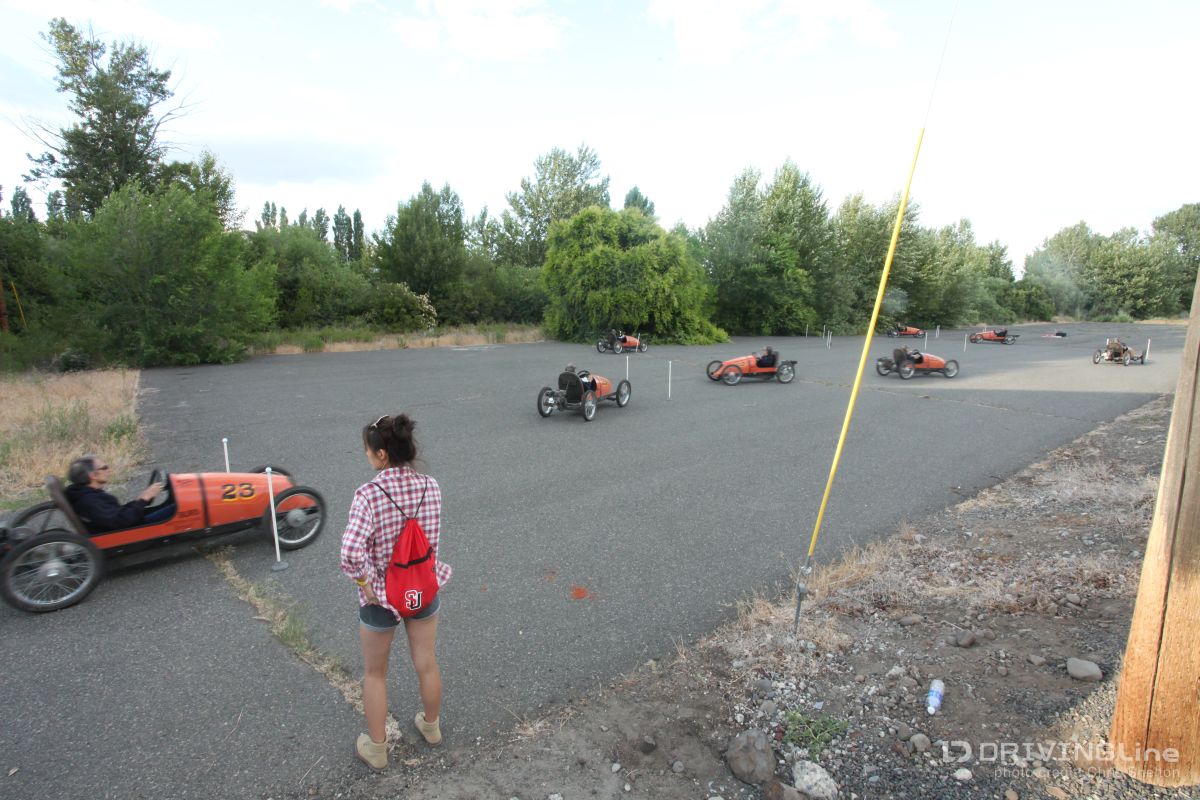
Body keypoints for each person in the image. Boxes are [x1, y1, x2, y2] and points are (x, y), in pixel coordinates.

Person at [340, 414, 450, 771]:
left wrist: (364, 583)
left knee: (375, 673)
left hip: (382, 597)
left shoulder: (369, 495)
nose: (366, 455)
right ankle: (431, 727)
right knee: (426, 661)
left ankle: (377, 748)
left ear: (382, 453)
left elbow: (350, 551)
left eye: (368, 450)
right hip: (422, 586)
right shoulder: (431, 486)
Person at [64, 455, 170, 533]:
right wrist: (144, 499)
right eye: (104, 467)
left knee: (170, 505)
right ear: (93, 476)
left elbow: (116, 514)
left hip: (129, 523)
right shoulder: (89, 501)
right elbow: (121, 521)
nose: (108, 470)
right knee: (175, 508)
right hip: (130, 531)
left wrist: (140, 499)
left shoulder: (86, 494)